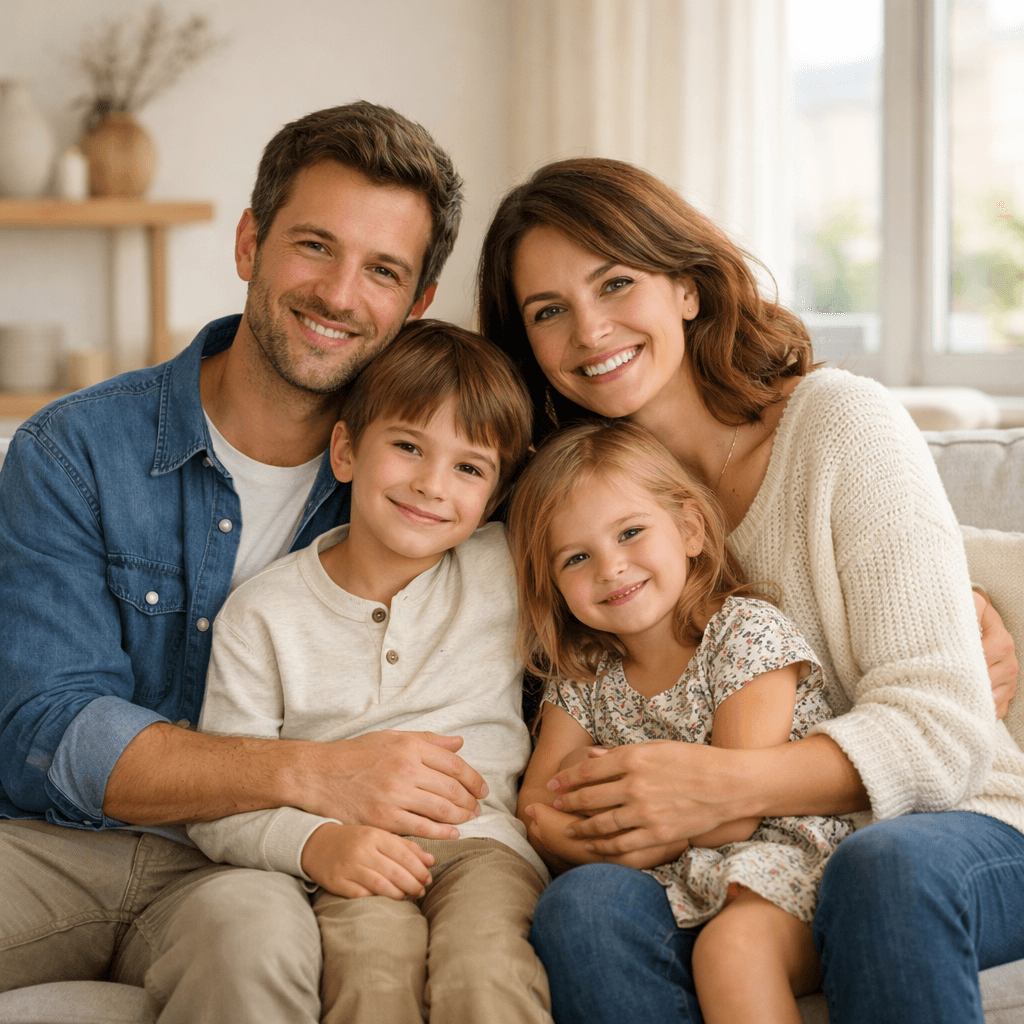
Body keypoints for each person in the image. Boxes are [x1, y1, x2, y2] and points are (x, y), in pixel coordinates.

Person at [477, 156, 1024, 1024]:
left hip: (954, 827)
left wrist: (723, 788)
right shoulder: (562, 516)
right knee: (581, 911)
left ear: (687, 288)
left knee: (882, 868)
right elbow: (563, 745)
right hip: (715, 870)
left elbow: (945, 729)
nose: (589, 331)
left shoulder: (838, 425)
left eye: (616, 283)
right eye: (550, 312)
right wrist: (565, 823)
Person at [0, 102, 479, 1023]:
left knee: (253, 946)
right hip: (53, 842)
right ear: (250, 243)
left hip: (250, 867)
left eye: (382, 270)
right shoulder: (73, 449)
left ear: (416, 305)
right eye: (314, 246)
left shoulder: (422, 493)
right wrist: (305, 771)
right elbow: (46, 731)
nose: (341, 294)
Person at [186, 320, 552, 1024]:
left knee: (486, 969)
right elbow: (221, 803)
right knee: (369, 972)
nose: (431, 485)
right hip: (352, 857)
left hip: (483, 848)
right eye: (408, 447)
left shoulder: (507, 566)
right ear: (347, 450)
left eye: (469, 468)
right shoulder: (261, 614)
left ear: (498, 489)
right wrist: (319, 843)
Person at [508, 419, 854, 1024]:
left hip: (773, 870)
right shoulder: (585, 674)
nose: (611, 568)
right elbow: (537, 805)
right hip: (667, 882)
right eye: (577, 557)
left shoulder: (743, 633)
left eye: (631, 533)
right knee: (574, 907)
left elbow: (734, 813)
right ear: (554, 584)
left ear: (690, 528)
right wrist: (562, 831)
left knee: (732, 949)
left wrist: (611, 819)